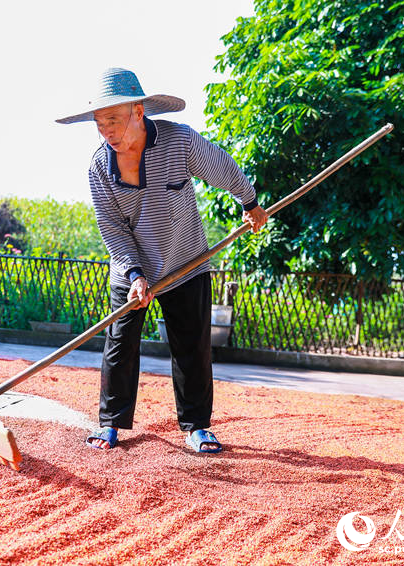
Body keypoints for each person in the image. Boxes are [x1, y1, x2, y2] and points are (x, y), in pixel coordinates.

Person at [56, 67, 268, 453]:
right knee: (120, 343)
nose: (105, 129)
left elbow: (224, 169)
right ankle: (111, 423)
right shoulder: (98, 167)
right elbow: (112, 228)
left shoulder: (179, 141)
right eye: (99, 122)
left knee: (192, 346)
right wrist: (135, 274)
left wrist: (250, 203)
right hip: (131, 266)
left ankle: (197, 427)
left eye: (113, 119)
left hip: (184, 258)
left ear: (138, 112)